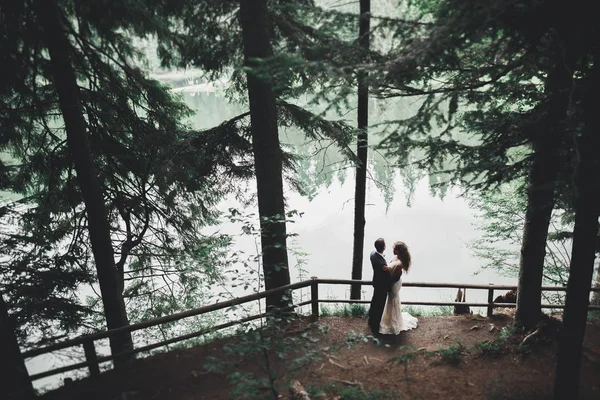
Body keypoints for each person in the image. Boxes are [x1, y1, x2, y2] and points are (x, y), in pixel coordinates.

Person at [379, 241, 418, 335]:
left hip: (394, 283)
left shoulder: (399, 263)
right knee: (392, 300)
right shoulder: (397, 257)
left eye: (394, 249)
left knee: (392, 300)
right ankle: (390, 319)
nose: (392, 250)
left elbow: (392, 275)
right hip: (395, 281)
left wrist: (384, 272)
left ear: (398, 251)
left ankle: (392, 322)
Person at [367, 238, 399, 334]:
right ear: (384, 247)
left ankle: (371, 320)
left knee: (374, 302)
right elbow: (386, 271)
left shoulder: (373, 254)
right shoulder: (381, 262)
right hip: (382, 285)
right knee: (379, 305)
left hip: (376, 282)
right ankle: (375, 326)